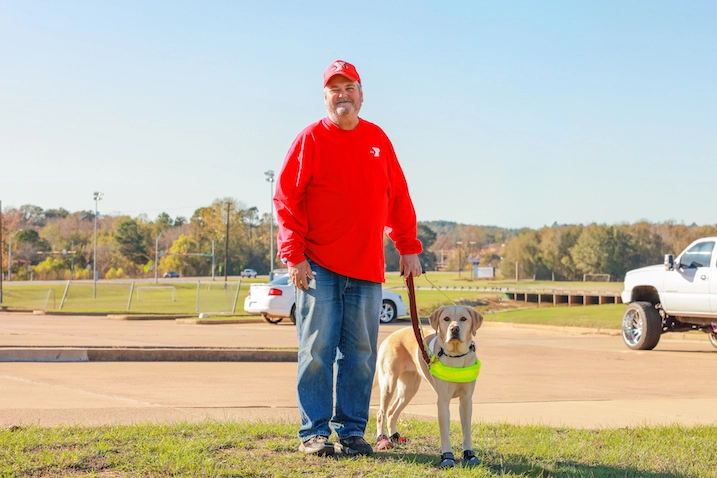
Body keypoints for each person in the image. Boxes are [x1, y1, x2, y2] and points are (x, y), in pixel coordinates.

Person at [274, 59, 423, 457]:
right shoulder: (310, 139)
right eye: (334, 89)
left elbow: (397, 196)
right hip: (317, 265)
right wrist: (294, 255)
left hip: (367, 268)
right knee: (317, 352)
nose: (343, 95)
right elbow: (286, 200)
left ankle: (353, 431)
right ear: (325, 97)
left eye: (349, 87)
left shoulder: (378, 139)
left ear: (361, 94)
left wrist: (407, 245)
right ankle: (314, 432)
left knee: (360, 355)